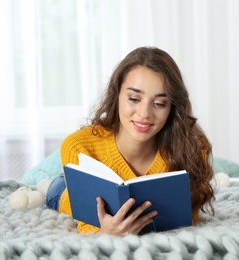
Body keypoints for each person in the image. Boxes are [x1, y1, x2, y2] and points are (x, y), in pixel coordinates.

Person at [46, 46, 214, 236]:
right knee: (56, 189)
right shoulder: (78, 146)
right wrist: (105, 233)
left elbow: (188, 217)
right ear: (117, 95)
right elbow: (86, 225)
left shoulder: (191, 149)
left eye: (159, 103)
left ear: (172, 107)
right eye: (134, 99)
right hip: (62, 193)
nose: (144, 114)